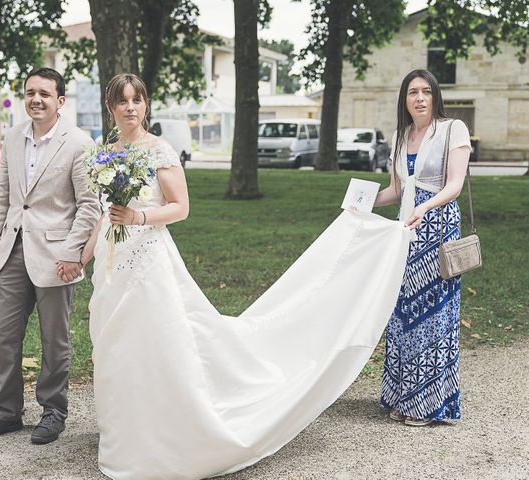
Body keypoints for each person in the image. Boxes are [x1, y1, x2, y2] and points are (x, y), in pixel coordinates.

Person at [74, 73, 412, 480]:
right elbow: (100, 213)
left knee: (156, 346)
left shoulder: (159, 150)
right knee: (117, 349)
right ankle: (127, 434)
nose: (130, 108)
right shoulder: (105, 153)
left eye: (137, 100)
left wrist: (138, 216)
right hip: (112, 265)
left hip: (148, 261)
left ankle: (169, 434)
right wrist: (83, 256)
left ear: (146, 105)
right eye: (122, 101)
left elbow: (180, 207)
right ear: (111, 107)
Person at [0, 68, 100, 444]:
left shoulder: (78, 143)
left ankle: (53, 411)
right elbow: (3, 196)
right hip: (11, 250)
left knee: (54, 339)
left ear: (60, 101)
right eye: (30, 92)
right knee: (3, 336)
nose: (35, 99)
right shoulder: (14, 137)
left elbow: (89, 207)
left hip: (58, 255)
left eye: (45, 93)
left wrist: (73, 253)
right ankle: (7, 412)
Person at [374, 69, 471, 427]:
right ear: (404, 99)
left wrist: (426, 208)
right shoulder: (400, 136)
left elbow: (455, 184)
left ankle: (429, 404)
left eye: (426, 92)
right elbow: (397, 190)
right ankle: (402, 396)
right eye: (412, 92)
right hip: (405, 230)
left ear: (435, 97)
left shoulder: (452, 129)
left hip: (438, 226)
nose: (419, 98)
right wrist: (362, 200)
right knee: (403, 311)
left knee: (434, 313)